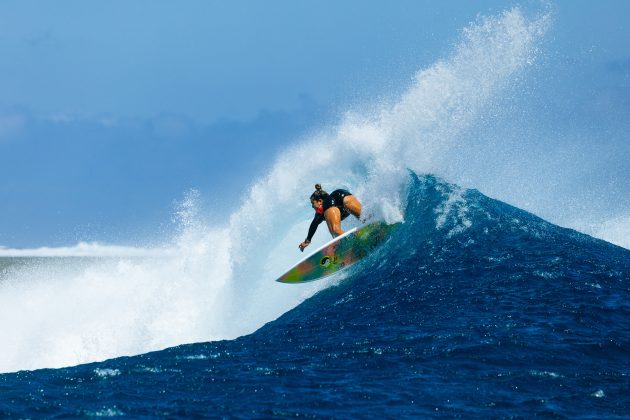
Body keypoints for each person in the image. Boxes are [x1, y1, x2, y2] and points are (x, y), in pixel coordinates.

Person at [298, 184, 363, 252]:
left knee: (335, 231)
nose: (312, 206)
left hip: (338, 197)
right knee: (364, 217)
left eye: (313, 203)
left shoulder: (323, 208)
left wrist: (307, 241)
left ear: (320, 202)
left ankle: (355, 244)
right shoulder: (329, 203)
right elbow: (314, 225)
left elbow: (313, 225)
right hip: (343, 194)